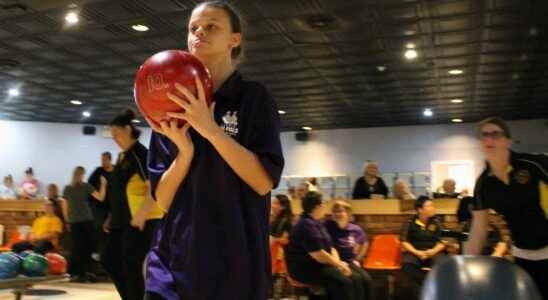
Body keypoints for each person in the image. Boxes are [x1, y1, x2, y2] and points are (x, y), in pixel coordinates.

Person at [143, 2, 284, 299]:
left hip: (233, 260)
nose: (199, 33)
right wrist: (184, 152)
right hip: (174, 257)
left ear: (235, 39)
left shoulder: (254, 98)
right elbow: (164, 200)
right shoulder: (170, 103)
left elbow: (262, 181)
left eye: (211, 26)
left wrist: (210, 130)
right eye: (193, 28)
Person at [465, 117, 548, 299]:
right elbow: (478, 230)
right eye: (484, 135)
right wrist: (466, 267)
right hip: (523, 256)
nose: (489, 139)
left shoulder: (534, 165)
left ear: (508, 141)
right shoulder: (483, 184)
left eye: (495, 134)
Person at [102, 110, 164, 300]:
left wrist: (143, 214)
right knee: (109, 260)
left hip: (139, 222)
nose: (115, 138)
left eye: (117, 134)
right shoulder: (122, 157)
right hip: (120, 222)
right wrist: (111, 217)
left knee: (131, 266)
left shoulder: (141, 154)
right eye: (112, 135)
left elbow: (156, 186)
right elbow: (118, 192)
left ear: (128, 129)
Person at [285, 192, 370, 300]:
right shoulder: (305, 225)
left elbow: (331, 248)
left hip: (319, 264)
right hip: (303, 268)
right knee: (344, 282)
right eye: (323, 203)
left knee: (356, 278)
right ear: (317, 206)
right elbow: (319, 255)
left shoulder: (317, 222)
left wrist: (338, 264)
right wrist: (339, 265)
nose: (325, 206)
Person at [397, 196, 446, 300]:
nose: (433, 208)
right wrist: (417, 252)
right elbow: (404, 241)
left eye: (433, 205)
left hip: (433, 252)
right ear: (420, 210)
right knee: (407, 266)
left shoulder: (437, 222)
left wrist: (433, 251)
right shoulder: (410, 222)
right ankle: (424, 292)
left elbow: (442, 241)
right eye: (429, 206)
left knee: (443, 265)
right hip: (415, 252)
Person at [63, 166, 106, 282]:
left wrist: (67, 220)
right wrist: (103, 184)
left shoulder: (68, 188)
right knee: (86, 247)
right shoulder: (85, 186)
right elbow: (101, 197)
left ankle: (76, 273)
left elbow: (65, 206)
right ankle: (82, 272)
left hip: (76, 221)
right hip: (85, 220)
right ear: (82, 174)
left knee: (78, 247)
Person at [324, 200, 373, 299]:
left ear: (348, 213)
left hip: (350, 261)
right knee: (356, 279)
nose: (338, 214)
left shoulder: (355, 229)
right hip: (334, 262)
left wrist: (357, 259)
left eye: (341, 211)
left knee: (367, 280)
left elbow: (365, 242)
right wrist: (338, 263)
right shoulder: (328, 226)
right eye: (335, 211)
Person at [88, 151, 114, 256]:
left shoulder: (115, 171)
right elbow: (89, 186)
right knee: (98, 228)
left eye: (104, 160)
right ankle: (98, 251)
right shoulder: (98, 171)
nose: (102, 162)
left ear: (109, 160)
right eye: (101, 160)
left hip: (111, 205)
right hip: (97, 205)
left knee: (109, 229)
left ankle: (107, 252)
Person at [270, 194, 293, 298]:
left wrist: (273, 239)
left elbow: (286, 240)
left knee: (277, 288)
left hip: (280, 259)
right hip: (272, 256)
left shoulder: (286, 220)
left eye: (275, 203)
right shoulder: (274, 219)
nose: (272, 205)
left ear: (283, 206)